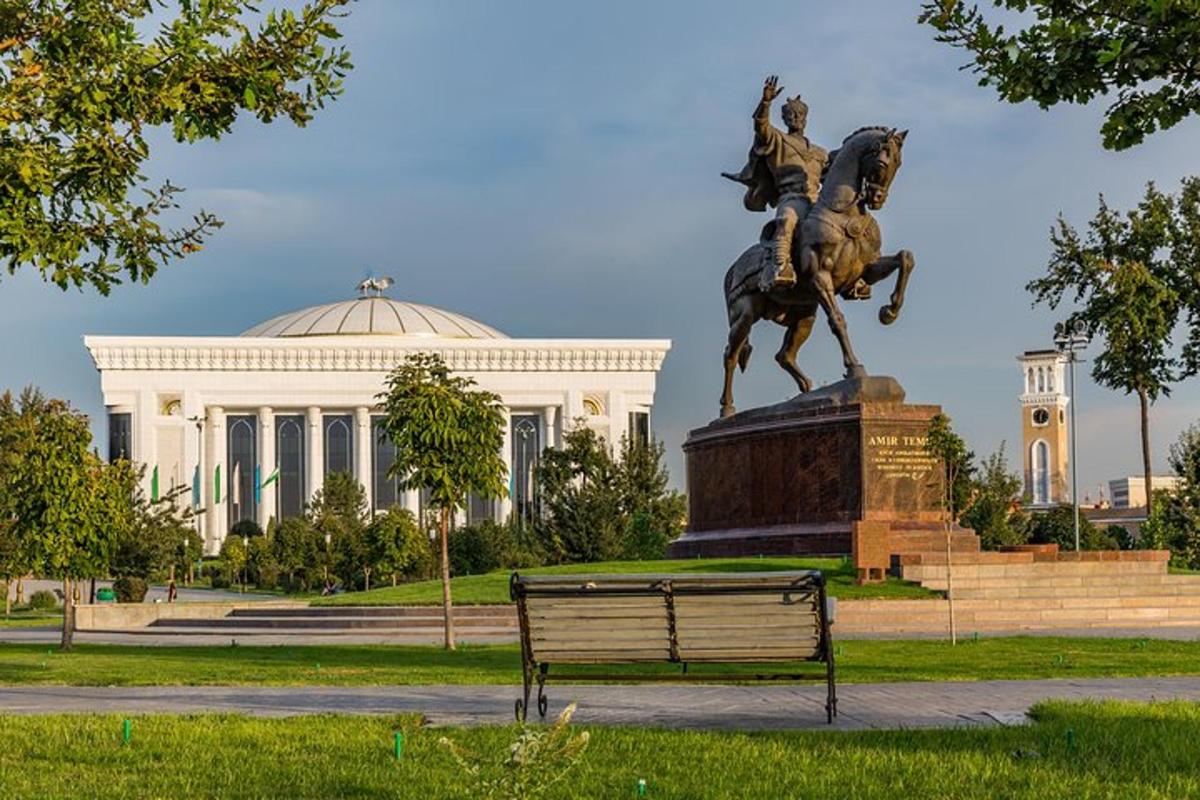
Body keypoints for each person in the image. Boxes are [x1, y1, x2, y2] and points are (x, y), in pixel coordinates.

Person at [723, 75, 828, 291]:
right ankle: (780, 266)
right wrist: (766, 103)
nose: (795, 117)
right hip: (792, 198)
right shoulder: (777, 140)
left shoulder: (819, 153)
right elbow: (761, 127)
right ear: (785, 119)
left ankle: (856, 273)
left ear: (805, 118)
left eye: (799, 114)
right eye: (790, 114)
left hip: (817, 200)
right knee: (786, 221)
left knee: (841, 225)